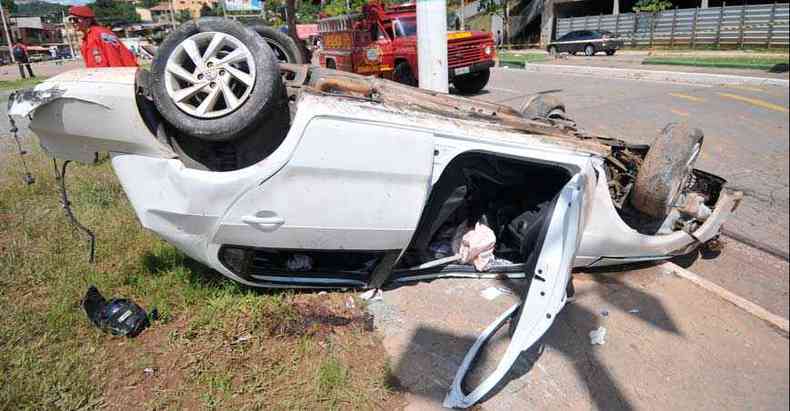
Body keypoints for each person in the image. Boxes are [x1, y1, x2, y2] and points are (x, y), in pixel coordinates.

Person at [68, 6, 137, 68]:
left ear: (88, 20)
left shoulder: (102, 34)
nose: (72, 22)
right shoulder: (86, 39)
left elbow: (114, 58)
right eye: (70, 19)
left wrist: (117, 79)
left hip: (123, 76)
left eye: (75, 19)